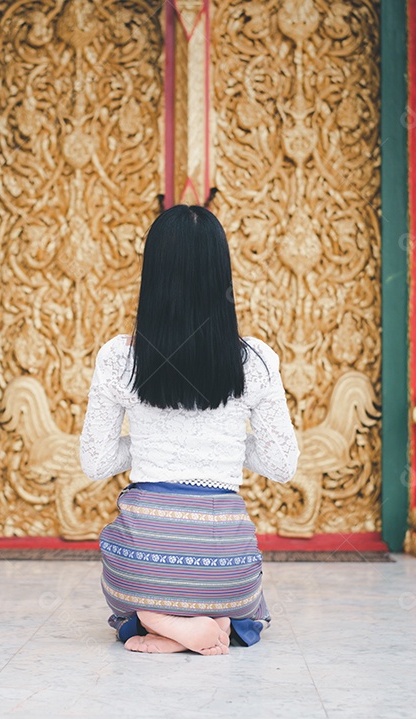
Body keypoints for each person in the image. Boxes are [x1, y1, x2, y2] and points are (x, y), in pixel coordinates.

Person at [79, 204, 300, 656]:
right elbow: (281, 464)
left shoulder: (119, 358)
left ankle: (155, 620)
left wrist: (151, 447)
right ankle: (216, 616)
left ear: (152, 273)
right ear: (222, 272)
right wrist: (220, 446)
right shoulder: (255, 360)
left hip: (142, 561)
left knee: (126, 595)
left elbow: (96, 461)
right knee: (251, 610)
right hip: (226, 564)